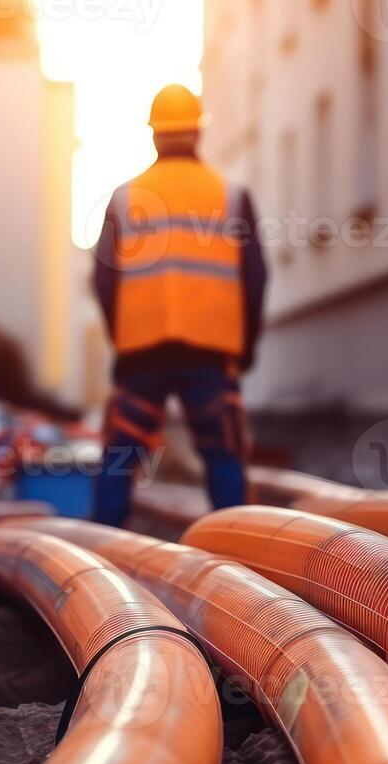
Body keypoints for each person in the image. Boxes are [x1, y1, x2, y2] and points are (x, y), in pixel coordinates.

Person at [92, 83, 269, 527]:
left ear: (154, 134)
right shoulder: (232, 198)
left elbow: (103, 280)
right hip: (209, 353)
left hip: (142, 355)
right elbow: (256, 278)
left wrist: (125, 340)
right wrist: (242, 349)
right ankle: (241, 561)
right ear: (197, 133)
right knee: (222, 454)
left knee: (119, 458)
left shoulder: (125, 199)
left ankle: (102, 561)